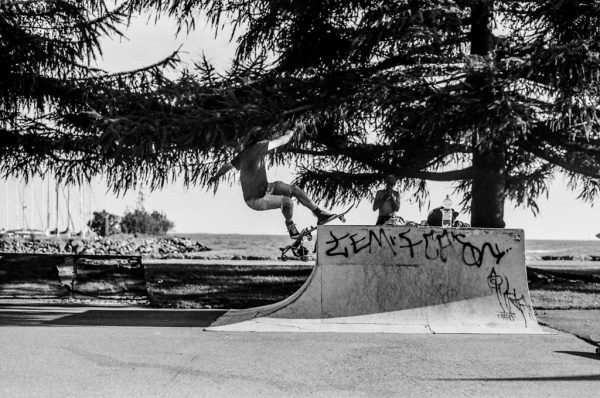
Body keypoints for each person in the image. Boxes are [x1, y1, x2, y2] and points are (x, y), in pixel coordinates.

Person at [208, 129, 336, 238]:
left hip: (266, 188)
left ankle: (319, 214)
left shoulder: (244, 153)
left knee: (294, 189)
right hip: (255, 199)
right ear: (260, 139)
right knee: (287, 202)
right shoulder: (260, 146)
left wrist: (215, 177)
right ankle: (290, 226)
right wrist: (290, 132)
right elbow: (282, 140)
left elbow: (227, 166)